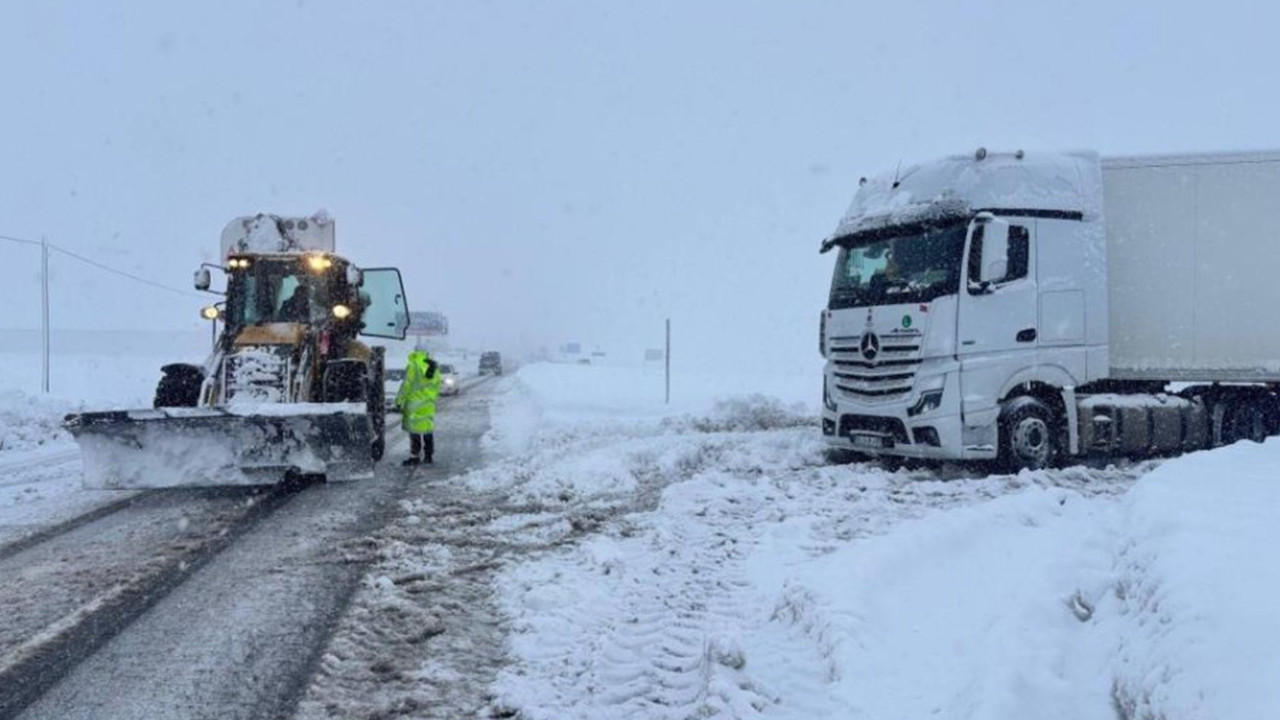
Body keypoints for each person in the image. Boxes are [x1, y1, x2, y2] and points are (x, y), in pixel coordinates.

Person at [395, 344, 441, 466]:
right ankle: (428, 456)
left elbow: (406, 385)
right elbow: (437, 386)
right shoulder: (434, 367)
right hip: (428, 404)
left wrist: (399, 401)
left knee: (414, 431)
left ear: (416, 351)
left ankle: (415, 456)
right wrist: (431, 398)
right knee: (427, 430)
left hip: (414, 404)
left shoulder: (414, 365)